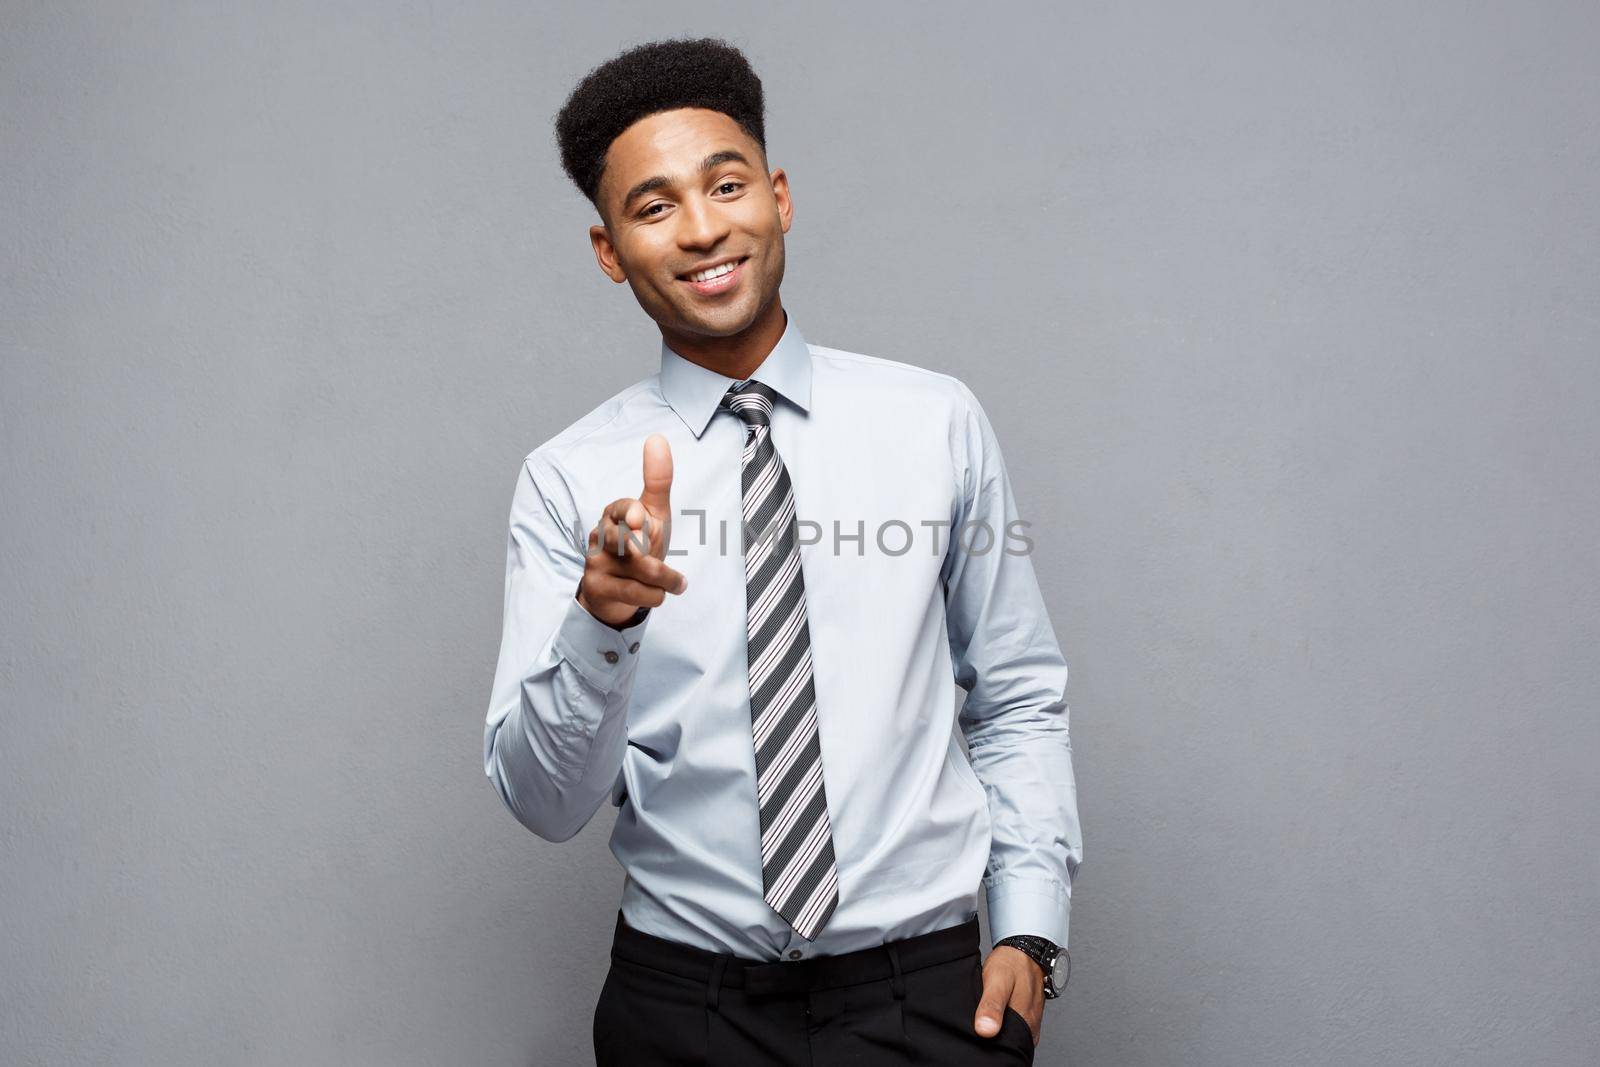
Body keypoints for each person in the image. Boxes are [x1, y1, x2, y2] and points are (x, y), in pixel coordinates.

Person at [483, 36, 1081, 1065]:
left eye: (725, 184)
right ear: (608, 250)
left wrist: (1028, 925)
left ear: (779, 196)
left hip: (923, 998)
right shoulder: (569, 478)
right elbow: (542, 802)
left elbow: (1015, 689)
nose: (703, 228)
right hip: (684, 1009)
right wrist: (600, 623)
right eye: (654, 205)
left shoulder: (933, 420)